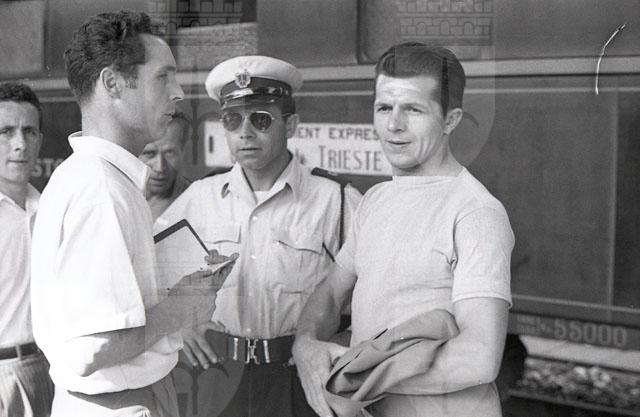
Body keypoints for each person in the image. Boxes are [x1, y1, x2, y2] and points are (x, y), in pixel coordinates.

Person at [30, 10, 236, 417]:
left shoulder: (90, 177)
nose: (178, 93)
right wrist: (182, 305)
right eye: (163, 77)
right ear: (112, 83)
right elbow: (96, 346)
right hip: (123, 405)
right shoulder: (101, 191)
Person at [293, 42, 515, 417]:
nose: (394, 125)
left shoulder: (475, 212)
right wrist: (306, 344)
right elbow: (330, 293)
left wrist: (356, 375)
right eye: (384, 108)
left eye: (413, 109)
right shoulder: (376, 200)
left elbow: (478, 358)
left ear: (450, 120)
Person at [156, 55, 361, 417]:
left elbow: (377, 296)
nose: (245, 133)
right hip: (217, 378)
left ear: (291, 124)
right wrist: (177, 327)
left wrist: (339, 345)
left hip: (297, 378)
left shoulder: (337, 200)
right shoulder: (200, 198)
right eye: (232, 120)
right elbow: (148, 271)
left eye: (261, 119)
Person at [0, 82, 54, 417]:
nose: (20, 144)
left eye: (29, 131)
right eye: (5, 132)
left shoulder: (50, 208)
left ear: (40, 140)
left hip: (46, 370)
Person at [139, 111, 191, 219]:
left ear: (183, 152)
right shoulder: (116, 194)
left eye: (169, 153)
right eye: (149, 153)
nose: (160, 167)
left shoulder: (197, 202)